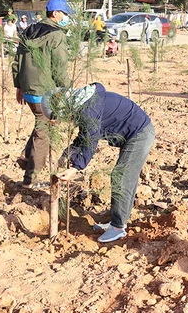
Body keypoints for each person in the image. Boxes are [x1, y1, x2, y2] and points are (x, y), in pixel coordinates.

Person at [46, 83, 155, 243]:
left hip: (139, 133)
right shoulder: (82, 102)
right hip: (133, 133)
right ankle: (117, 222)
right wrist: (67, 154)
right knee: (125, 177)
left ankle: (118, 227)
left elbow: (90, 141)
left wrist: (75, 168)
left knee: (122, 176)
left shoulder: (88, 109)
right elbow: (83, 136)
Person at [11, 0, 73, 186]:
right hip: (45, 91)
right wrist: (69, 92)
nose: (67, 18)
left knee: (41, 124)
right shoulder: (56, 36)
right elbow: (60, 68)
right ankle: (31, 179)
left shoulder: (29, 30)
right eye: (65, 14)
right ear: (55, 14)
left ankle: (25, 156)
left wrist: (19, 86)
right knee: (44, 134)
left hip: (29, 89)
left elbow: (17, 61)